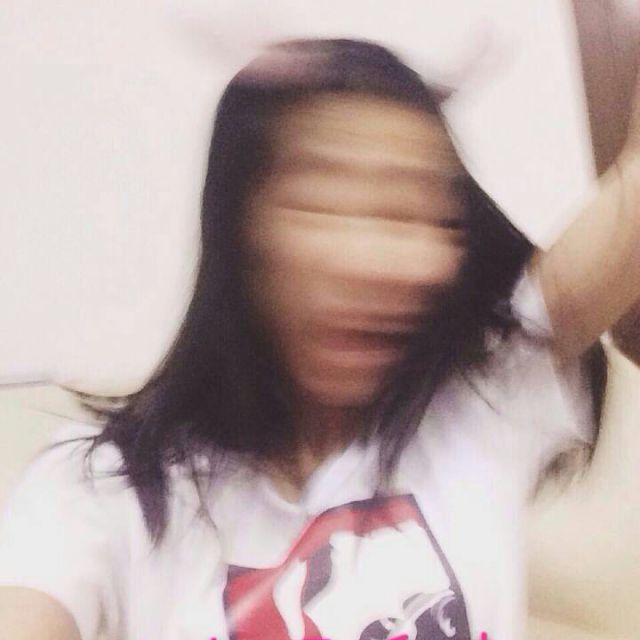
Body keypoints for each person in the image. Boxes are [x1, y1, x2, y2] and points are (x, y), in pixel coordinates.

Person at [0, 38, 638, 640]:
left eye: (414, 212)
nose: (375, 261)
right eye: (323, 204)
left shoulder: (480, 402)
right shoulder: (105, 487)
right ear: (240, 229)